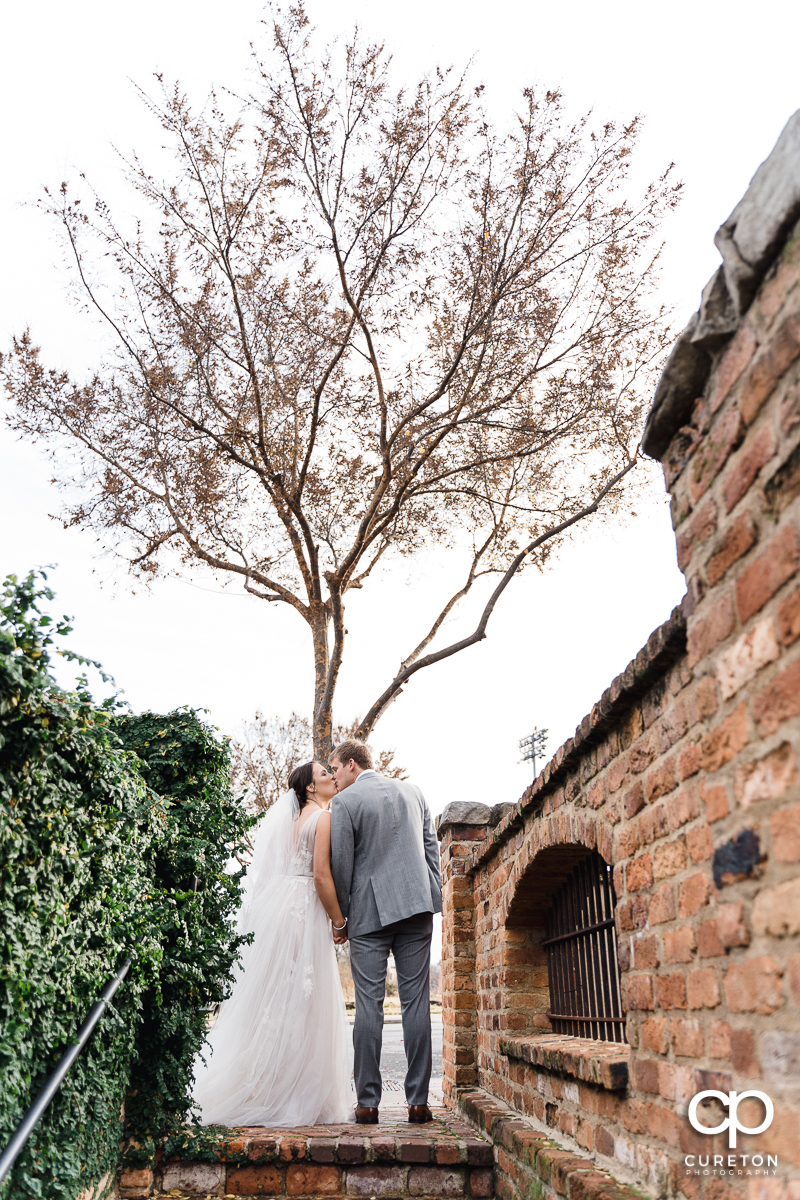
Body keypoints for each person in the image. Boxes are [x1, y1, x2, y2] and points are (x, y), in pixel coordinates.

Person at [192, 762, 352, 1126]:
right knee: (303, 1001)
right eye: (324, 774)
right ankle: (288, 1092)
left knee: (277, 997)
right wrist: (338, 921)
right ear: (310, 788)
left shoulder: (289, 822)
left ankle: (263, 1083)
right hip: (304, 911)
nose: (331, 776)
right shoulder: (323, 819)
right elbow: (321, 876)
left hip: (280, 907)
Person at [328, 739, 442, 1125]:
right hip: (416, 907)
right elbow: (431, 851)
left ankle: (367, 1103)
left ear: (353, 764)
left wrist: (340, 920)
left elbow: (342, 866)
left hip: (369, 916)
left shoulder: (344, 803)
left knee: (368, 1007)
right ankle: (418, 1103)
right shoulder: (414, 792)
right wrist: (432, 897)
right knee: (416, 1004)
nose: (334, 777)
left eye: (336, 769)